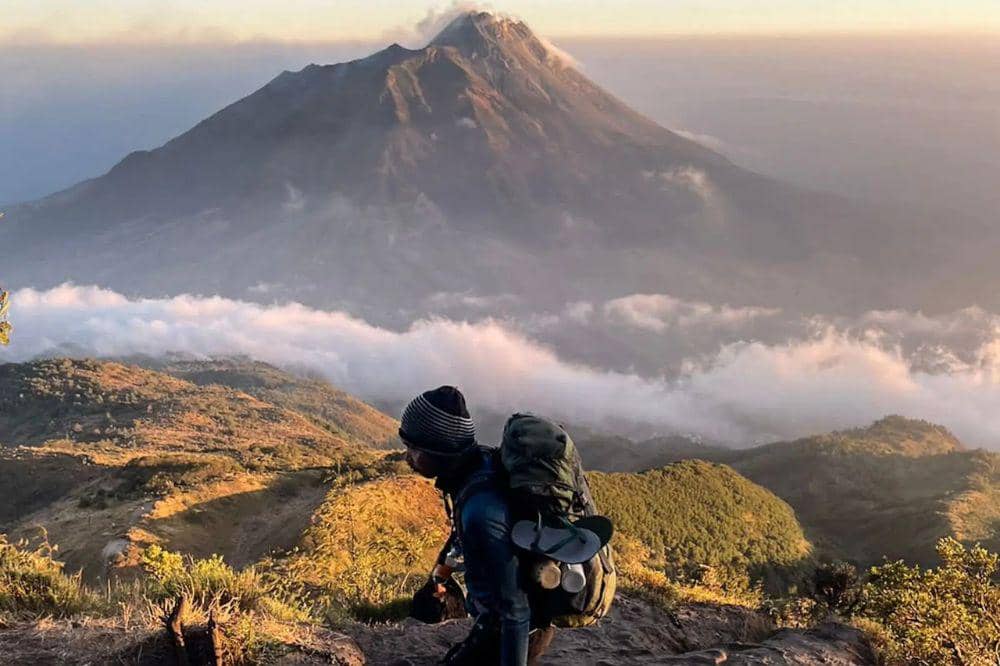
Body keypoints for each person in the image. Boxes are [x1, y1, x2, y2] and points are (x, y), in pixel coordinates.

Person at [399, 386, 556, 666]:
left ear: (439, 450)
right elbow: (460, 537)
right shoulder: (476, 467)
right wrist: (440, 577)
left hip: (512, 632)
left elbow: (515, 611)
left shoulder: (481, 510)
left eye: (413, 448)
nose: (407, 457)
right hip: (502, 623)